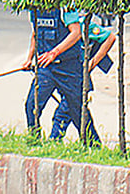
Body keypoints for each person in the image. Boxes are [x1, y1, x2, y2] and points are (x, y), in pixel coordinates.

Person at [22, 9, 99, 143]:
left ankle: (93, 145)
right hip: (46, 68)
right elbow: (36, 33)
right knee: (32, 105)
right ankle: (34, 142)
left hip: (68, 67)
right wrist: (30, 58)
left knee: (78, 111)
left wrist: (54, 52)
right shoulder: (34, 7)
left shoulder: (64, 6)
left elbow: (76, 33)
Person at [50, 18, 117, 139]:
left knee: (64, 113)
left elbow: (110, 37)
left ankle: (54, 140)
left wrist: (92, 63)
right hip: (66, 78)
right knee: (78, 113)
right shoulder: (58, 30)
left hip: (78, 78)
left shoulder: (83, 25)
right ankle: (93, 144)